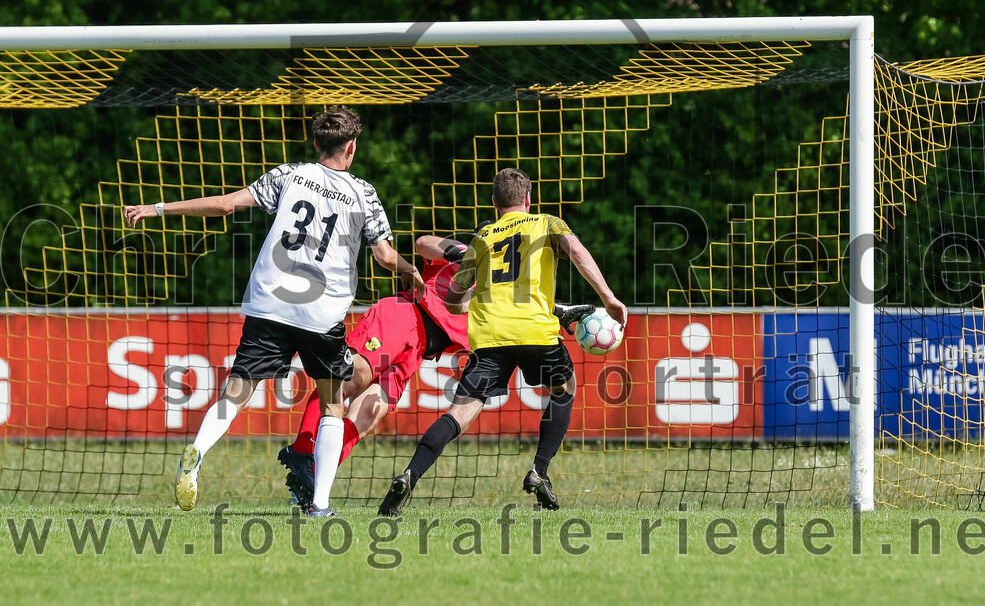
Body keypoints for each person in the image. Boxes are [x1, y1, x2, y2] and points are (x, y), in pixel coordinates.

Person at [123, 105, 424, 516]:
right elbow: (384, 255)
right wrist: (410, 271)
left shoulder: (289, 175)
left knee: (237, 391)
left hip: (271, 302)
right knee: (333, 404)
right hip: (321, 312)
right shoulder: (362, 193)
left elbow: (226, 205)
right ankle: (319, 505)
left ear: (317, 143)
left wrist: (158, 209)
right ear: (351, 147)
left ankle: (197, 450)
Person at [277, 234, 595, 509]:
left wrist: (561, 314)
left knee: (369, 414)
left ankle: (313, 478)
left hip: (417, 351)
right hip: (403, 316)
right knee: (347, 380)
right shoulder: (465, 256)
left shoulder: (500, 299)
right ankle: (303, 454)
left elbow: (529, 316)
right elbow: (422, 244)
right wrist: (459, 254)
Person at [378, 168, 627, 515]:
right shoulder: (547, 222)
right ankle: (539, 470)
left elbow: (453, 297)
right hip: (536, 332)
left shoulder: (483, 236)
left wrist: (470, 296)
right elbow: (578, 252)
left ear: (495, 203)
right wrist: (609, 297)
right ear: (528, 199)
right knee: (564, 387)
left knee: (459, 413)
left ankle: (409, 474)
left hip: (489, 338)